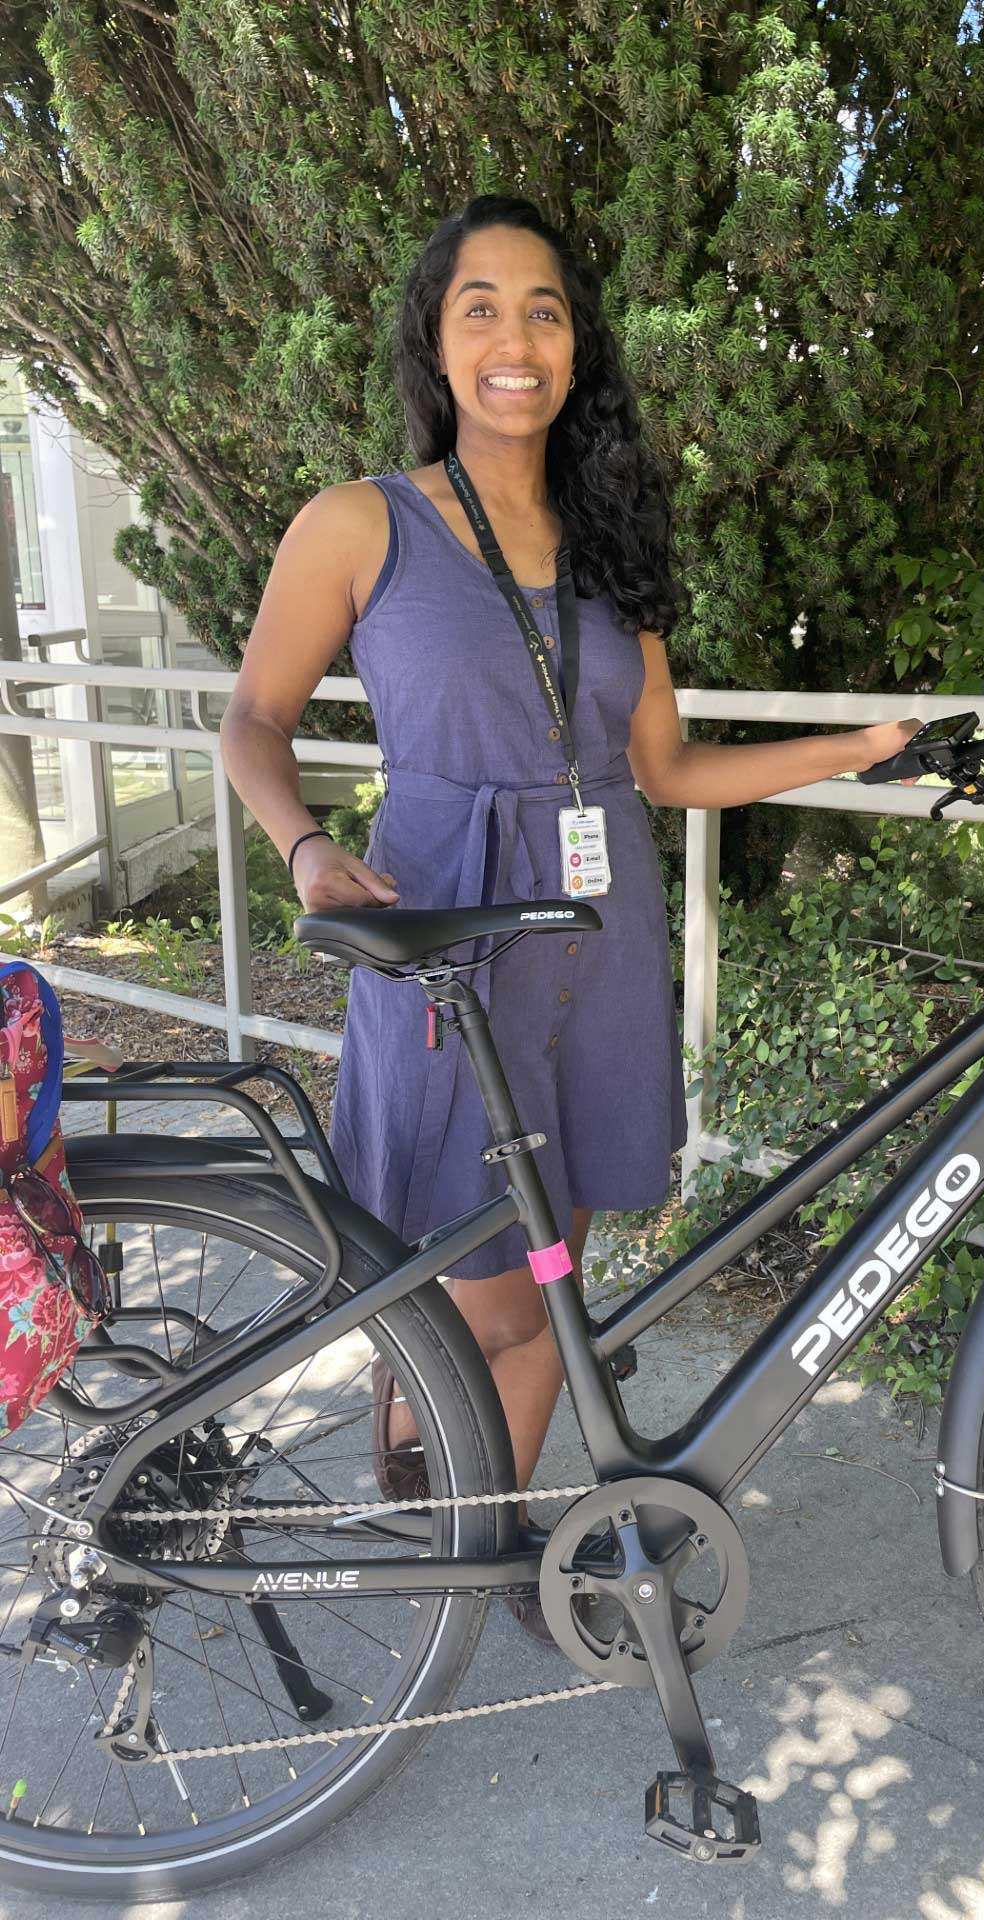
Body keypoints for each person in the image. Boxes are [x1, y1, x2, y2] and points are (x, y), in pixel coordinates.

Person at [219, 191, 920, 1646]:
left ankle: (487, 1556)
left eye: (543, 308)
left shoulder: (609, 539)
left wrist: (850, 752)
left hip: (596, 949)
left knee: (543, 1285)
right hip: (445, 929)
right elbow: (254, 716)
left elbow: (663, 770)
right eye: (481, 304)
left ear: (576, 344)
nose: (515, 336)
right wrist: (299, 847)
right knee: (458, 1278)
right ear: (436, 335)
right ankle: (431, 1508)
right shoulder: (363, 521)